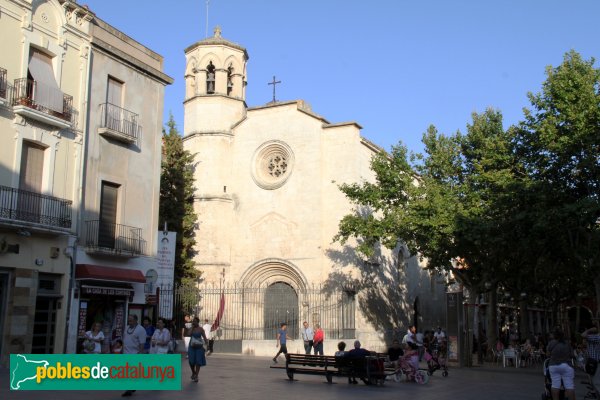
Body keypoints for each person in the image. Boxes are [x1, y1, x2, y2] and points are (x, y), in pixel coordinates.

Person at [547, 327, 575, 400]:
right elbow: (572, 355)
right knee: (569, 386)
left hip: (553, 365)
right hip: (566, 365)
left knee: (555, 385)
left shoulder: (551, 343)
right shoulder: (567, 343)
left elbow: (548, 354)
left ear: (554, 335)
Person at [122, 314, 146, 397]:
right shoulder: (127, 328)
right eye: (129, 320)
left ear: (136, 320)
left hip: (135, 353)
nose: (129, 322)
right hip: (126, 353)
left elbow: (142, 343)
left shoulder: (141, 330)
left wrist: (140, 353)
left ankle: (129, 389)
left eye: (131, 320)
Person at [188, 317, 208, 382]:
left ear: (198, 322)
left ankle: (196, 375)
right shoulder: (192, 328)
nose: (193, 322)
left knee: (198, 361)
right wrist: (192, 328)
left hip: (199, 346)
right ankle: (193, 372)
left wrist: (206, 345)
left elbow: (204, 337)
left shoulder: (201, 329)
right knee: (191, 361)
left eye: (195, 321)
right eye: (193, 321)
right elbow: (188, 334)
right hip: (192, 346)